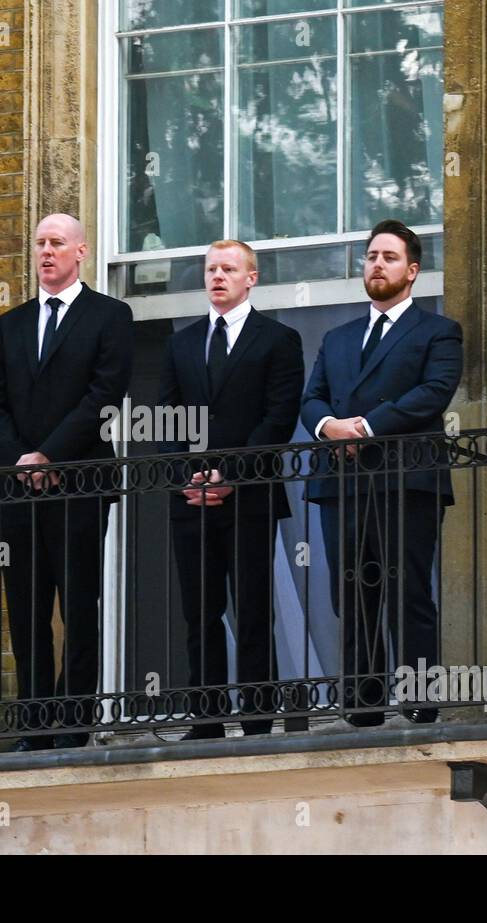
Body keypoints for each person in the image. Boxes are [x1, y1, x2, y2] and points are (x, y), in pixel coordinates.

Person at [0, 213, 133, 750]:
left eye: (57, 243)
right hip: (20, 489)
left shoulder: (110, 316)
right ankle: (34, 722)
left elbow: (105, 395)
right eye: (40, 243)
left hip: (79, 484)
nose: (46, 252)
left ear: (81, 252)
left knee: (78, 606)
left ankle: (74, 720)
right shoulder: (12, 323)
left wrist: (49, 454)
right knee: (26, 609)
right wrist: (22, 458)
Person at [300, 219, 461, 726]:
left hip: (405, 481)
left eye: (389, 257)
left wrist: (366, 426)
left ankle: (419, 701)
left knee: (407, 589)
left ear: (412, 270)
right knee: (351, 591)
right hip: (341, 483)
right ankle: (362, 706)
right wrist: (330, 426)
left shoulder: (438, 331)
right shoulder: (339, 336)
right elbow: (312, 398)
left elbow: (434, 392)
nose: (376, 264)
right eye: (371, 256)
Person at [157, 240, 304, 739]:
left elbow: (278, 417)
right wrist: (187, 476)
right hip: (191, 500)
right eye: (211, 269)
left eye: (228, 268)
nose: (217, 276)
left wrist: (232, 474)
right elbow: (166, 418)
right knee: (200, 613)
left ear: (251, 278)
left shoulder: (278, 339)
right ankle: (207, 718)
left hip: (252, 496)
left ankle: (258, 718)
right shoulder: (181, 343)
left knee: (253, 608)